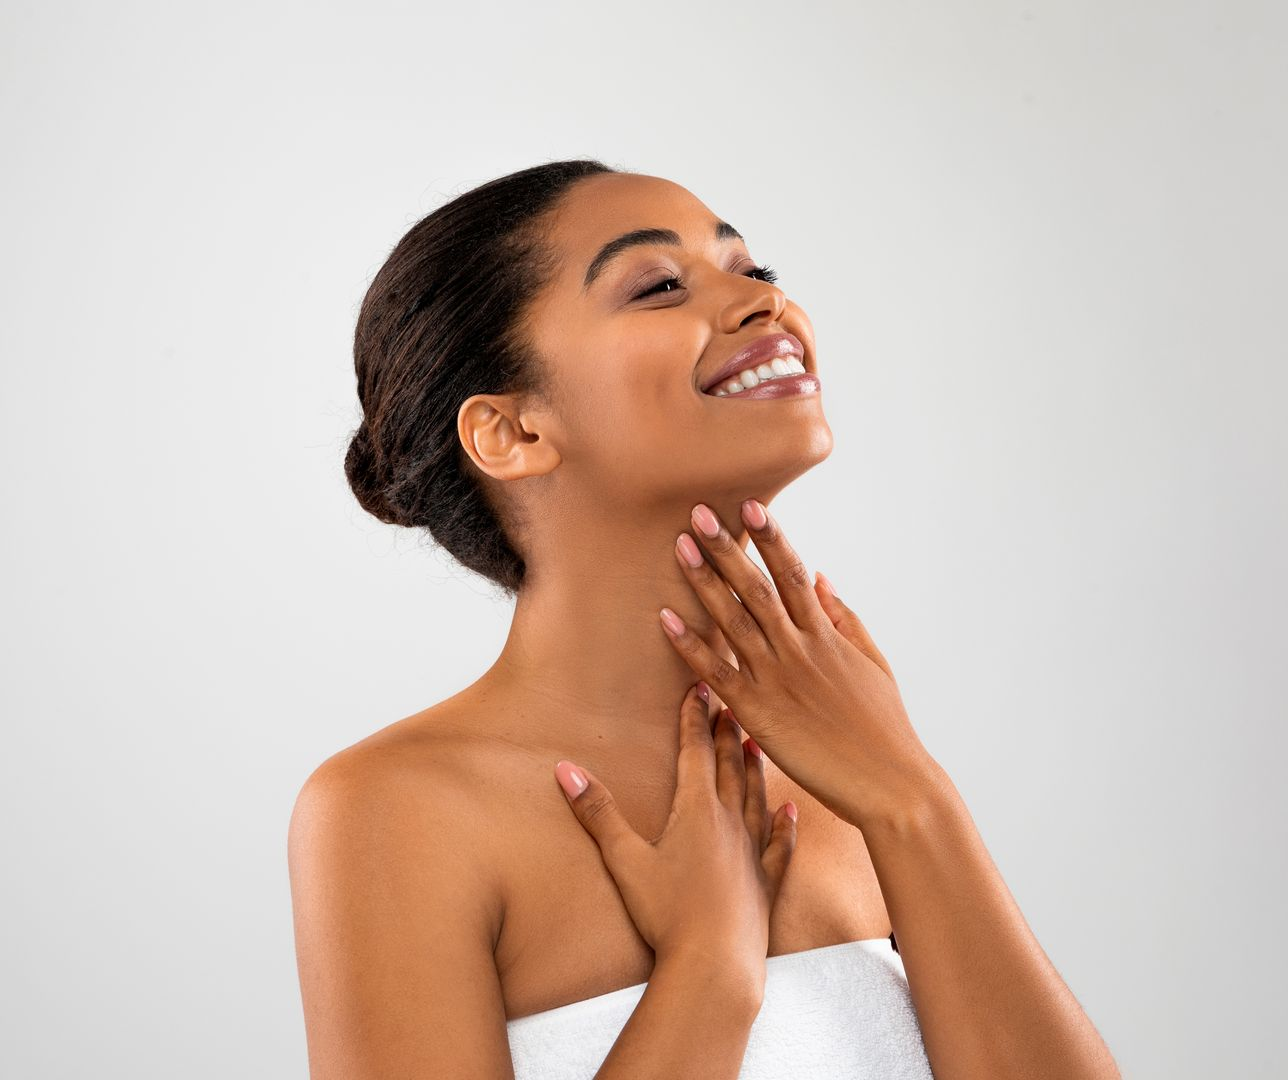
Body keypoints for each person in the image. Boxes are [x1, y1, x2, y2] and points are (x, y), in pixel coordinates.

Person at [287, 161, 1121, 1079]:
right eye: (660, 286)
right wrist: (709, 971)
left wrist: (911, 799)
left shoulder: (851, 772)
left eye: (755, 272)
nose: (766, 304)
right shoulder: (396, 812)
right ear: (512, 433)